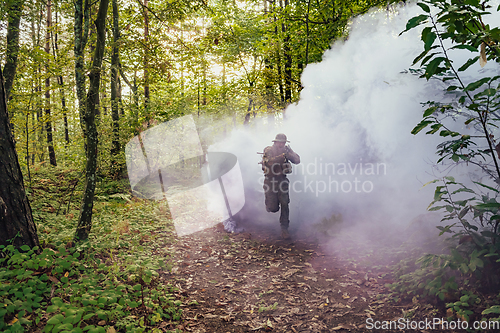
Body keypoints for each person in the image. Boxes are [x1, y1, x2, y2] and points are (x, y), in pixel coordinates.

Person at [261, 133, 300, 239]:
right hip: (270, 181)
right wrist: (282, 156)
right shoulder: (268, 150)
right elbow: (268, 162)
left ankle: (284, 229)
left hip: (282, 180)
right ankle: (269, 205)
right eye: (279, 142)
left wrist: (290, 154)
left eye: (283, 142)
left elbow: (297, 160)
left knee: (285, 203)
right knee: (273, 208)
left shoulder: (286, 150)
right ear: (275, 142)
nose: (281, 144)